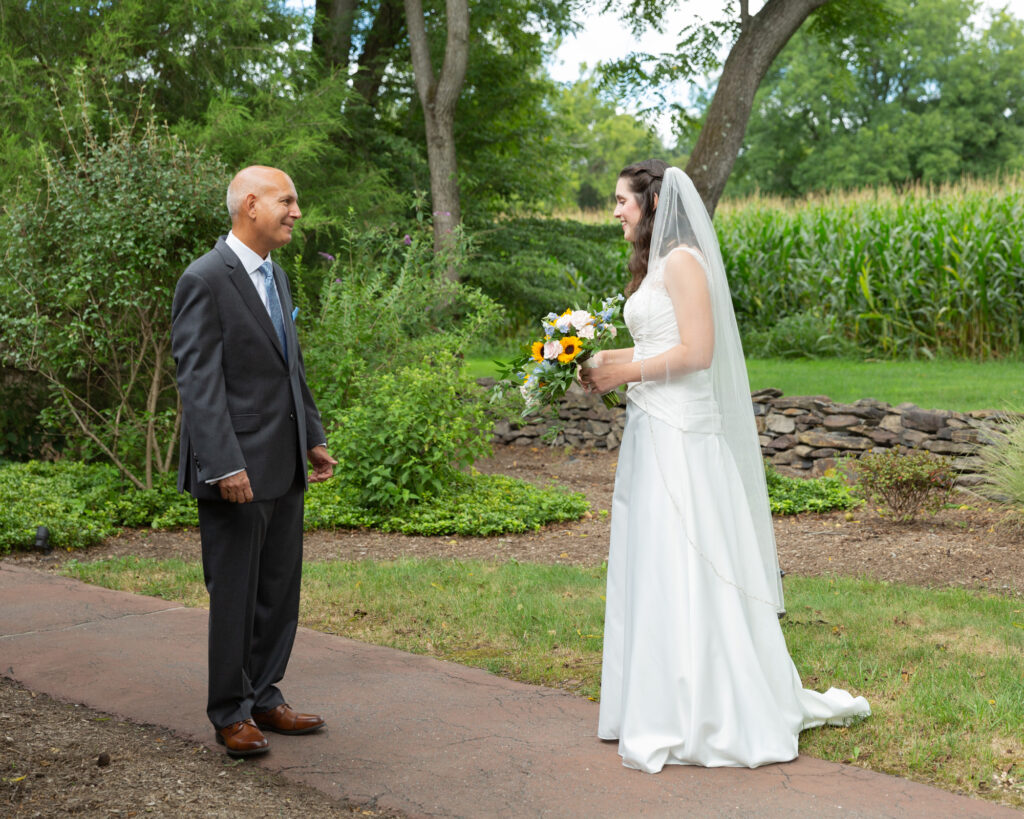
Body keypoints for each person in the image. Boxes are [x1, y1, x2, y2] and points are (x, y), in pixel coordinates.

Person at [579, 160, 870, 773]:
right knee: (652, 561)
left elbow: (699, 352)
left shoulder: (684, 262)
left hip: (683, 435)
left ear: (652, 203)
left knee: (685, 559)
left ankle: (705, 709)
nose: (615, 211)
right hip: (651, 428)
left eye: (622, 201)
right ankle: (653, 700)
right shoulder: (656, 267)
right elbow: (662, 344)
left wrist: (621, 372)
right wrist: (590, 358)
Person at [171, 165, 338, 758]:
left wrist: (312, 436)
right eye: (287, 200)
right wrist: (224, 464)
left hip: (284, 461)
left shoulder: (278, 277)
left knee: (277, 590)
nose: (296, 211)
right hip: (234, 469)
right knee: (237, 592)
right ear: (250, 205)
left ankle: (266, 696)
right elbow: (199, 382)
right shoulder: (205, 279)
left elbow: (289, 366)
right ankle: (229, 713)